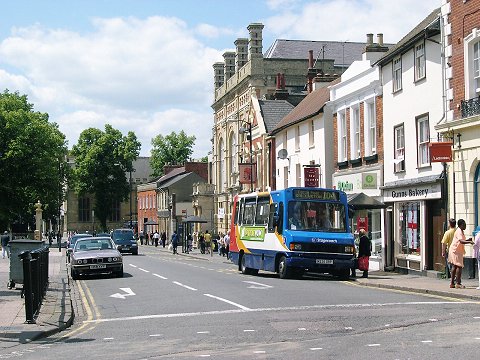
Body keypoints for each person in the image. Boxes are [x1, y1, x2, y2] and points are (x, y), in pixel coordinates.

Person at [448, 219, 473, 289]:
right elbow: (461, 241)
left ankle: (452, 283)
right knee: (459, 266)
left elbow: (460, 241)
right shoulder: (459, 231)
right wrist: (469, 242)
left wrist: (468, 240)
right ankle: (458, 283)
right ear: (461, 225)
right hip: (456, 251)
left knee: (454, 266)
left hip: (455, 250)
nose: (465, 226)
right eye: (464, 224)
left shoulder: (460, 231)